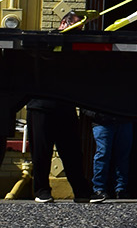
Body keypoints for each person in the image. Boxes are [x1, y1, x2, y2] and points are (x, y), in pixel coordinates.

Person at [28, 12, 90, 203]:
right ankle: (41, 191)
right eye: (76, 26)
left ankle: (81, 191)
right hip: (41, 105)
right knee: (41, 152)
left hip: (65, 105)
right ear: (64, 23)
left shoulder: (76, 47)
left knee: (72, 151)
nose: (78, 30)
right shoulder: (47, 42)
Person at [86, 109, 132, 202]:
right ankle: (110, 188)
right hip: (111, 120)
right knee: (107, 155)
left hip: (109, 120)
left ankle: (102, 189)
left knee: (108, 155)